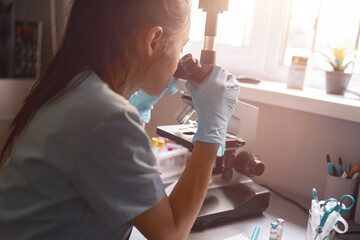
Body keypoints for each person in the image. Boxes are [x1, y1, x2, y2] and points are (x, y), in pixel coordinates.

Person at [0, 0, 240, 239]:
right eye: (181, 47)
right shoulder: (105, 117)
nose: (179, 61)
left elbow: (114, 174)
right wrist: (212, 131)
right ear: (153, 41)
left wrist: (137, 106)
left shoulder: (72, 86)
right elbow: (171, 233)